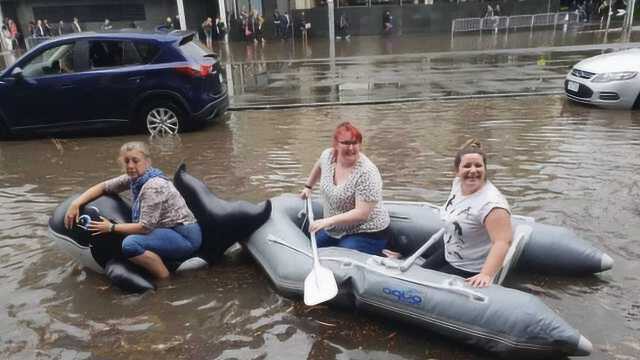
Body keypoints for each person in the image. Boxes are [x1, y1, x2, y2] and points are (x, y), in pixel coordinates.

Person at [63, 141, 202, 280]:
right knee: (128, 234)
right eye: (126, 161)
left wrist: (111, 227)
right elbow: (103, 187)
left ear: (147, 162)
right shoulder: (134, 179)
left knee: (130, 244)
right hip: (165, 229)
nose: (130, 166)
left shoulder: (154, 186)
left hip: (184, 236)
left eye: (135, 161)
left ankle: (165, 279)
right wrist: (76, 203)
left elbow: (145, 227)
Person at [420, 139, 512, 288]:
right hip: (450, 251)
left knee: (424, 286)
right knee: (420, 275)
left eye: (478, 165)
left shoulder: (492, 205)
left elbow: (502, 242)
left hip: (469, 266)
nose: (473, 170)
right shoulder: (458, 183)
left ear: (485, 168)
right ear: (457, 171)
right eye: (467, 166)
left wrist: (486, 274)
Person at [300, 122, 391, 256]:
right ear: (336, 144)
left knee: (344, 253)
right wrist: (308, 187)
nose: (351, 148)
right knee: (314, 246)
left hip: (367, 231)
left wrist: (327, 221)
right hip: (336, 228)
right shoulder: (328, 156)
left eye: (355, 143)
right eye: (346, 143)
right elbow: (318, 166)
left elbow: (362, 214)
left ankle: (383, 254)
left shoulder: (367, 172)